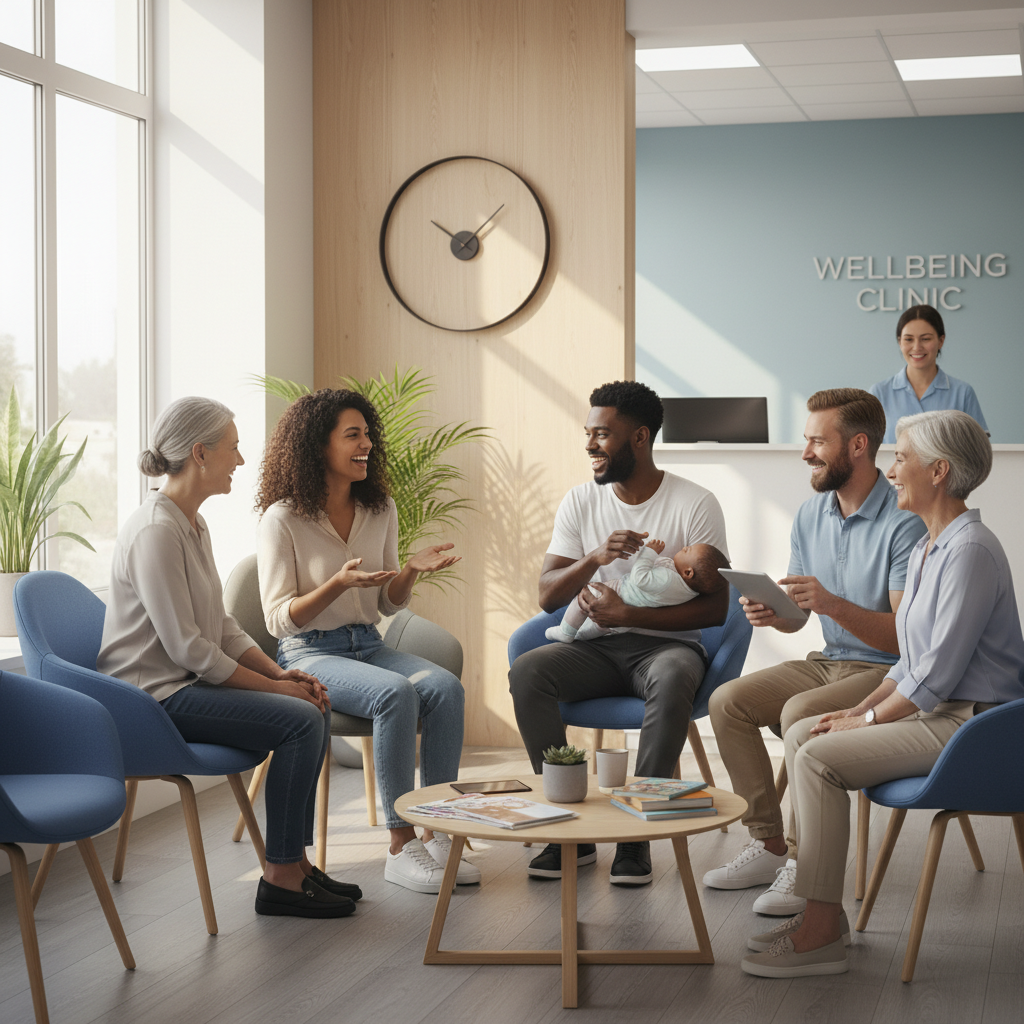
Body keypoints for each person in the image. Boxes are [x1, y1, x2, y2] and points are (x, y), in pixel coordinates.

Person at [741, 410, 1024, 978]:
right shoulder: (929, 549)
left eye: (902, 458)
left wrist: (868, 724)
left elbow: (937, 674)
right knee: (803, 732)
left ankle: (822, 930)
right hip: (942, 710)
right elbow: (911, 660)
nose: (892, 471)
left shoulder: (969, 550)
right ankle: (817, 908)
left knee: (818, 758)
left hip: (975, 724)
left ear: (940, 471)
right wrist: (858, 709)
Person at [97, 396, 357, 919]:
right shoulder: (155, 531)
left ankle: (296, 862)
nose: (241, 460)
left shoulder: (192, 523)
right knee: (301, 720)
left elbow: (221, 627)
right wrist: (278, 690)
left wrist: (283, 672)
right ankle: (280, 877)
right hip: (154, 699)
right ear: (200, 453)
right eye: (233, 448)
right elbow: (189, 650)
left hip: (185, 684)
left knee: (312, 705)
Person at [704, 389, 926, 915]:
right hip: (828, 662)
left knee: (802, 713)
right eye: (806, 440)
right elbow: (801, 615)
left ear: (857, 445)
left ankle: (803, 862)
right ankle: (767, 843)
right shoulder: (810, 515)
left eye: (817, 442)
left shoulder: (904, 522)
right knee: (727, 701)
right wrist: (775, 612)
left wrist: (831, 602)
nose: (806, 452)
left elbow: (903, 638)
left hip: (886, 671)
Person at [508, 380, 730, 886]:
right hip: (595, 650)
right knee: (528, 672)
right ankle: (564, 829)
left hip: (666, 647)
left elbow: (717, 608)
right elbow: (546, 598)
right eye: (588, 433)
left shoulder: (695, 503)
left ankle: (637, 835)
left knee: (675, 676)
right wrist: (594, 558)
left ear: (640, 438)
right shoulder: (581, 501)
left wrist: (628, 614)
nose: (589, 445)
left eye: (602, 434)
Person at [256, 388, 471, 895]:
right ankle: (401, 845)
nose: (367, 444)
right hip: (310, 652)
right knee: (394, 694)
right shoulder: (282, 518)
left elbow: (386, 606)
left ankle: (441, 831)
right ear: (318, 446)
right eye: (353, 435)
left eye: (367, 434)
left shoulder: (380, 508)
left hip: (368, 645)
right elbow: (276, 621)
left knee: (445, 688)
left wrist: (409, 572)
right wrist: (335, 584)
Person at [545, 540, 730, 643]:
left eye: (687, 550)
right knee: (595, 629)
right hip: (624, 620)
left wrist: (648, 553)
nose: (683, 548)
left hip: (621, 594)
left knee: (583, 597)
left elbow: (638, 578)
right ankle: (578, 636)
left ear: (688, 572)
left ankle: (565, 631)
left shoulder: (667, 580)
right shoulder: (689, 591)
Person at [870, 304, 988, 443]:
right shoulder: (879, 393)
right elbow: (868, 451)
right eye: (908, 339)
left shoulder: (962, 393)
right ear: (899, 342)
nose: (917, 347)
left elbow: (979, 450)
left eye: (925, 339)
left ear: (941, 341)